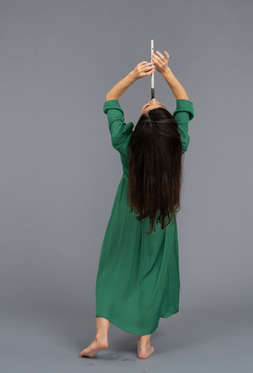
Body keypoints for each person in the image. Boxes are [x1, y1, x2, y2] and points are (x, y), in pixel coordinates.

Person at [80, 50, 194, 359]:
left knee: (111, 269)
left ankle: (101, 335)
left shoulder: (126, 143)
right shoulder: (177, 143)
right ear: (169, 129)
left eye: (150, 107)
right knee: (151, 275)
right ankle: (143, 344)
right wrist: (167, 72)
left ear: (139, 130)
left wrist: (134, 75)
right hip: (161, 218)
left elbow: (110, 99)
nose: (153, 103)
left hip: (126, 214)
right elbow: (184, 103)